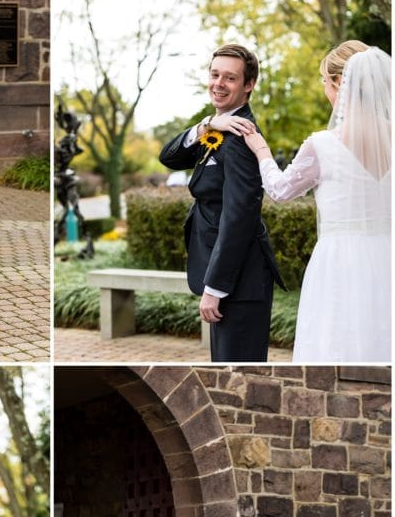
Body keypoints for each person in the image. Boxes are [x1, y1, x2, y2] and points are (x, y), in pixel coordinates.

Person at [215, 40, 391, 363]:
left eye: (326, 81)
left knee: (335, 342)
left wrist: (262, 151)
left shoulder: (324, 145)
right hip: (387, 255)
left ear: (340, 84)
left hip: (339, 262)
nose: (325, 88)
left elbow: (280, 191)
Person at [160, 44, 285, 362]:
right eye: (215, 74)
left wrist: (215, 287)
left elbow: (239, 214)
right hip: (231, 276)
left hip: (240, 280)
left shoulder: (242, 136)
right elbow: (169, 157)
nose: (218, 83)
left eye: (230, 78)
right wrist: (207, 126)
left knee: (237, 368)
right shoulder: (219, 129)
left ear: (248, 85)